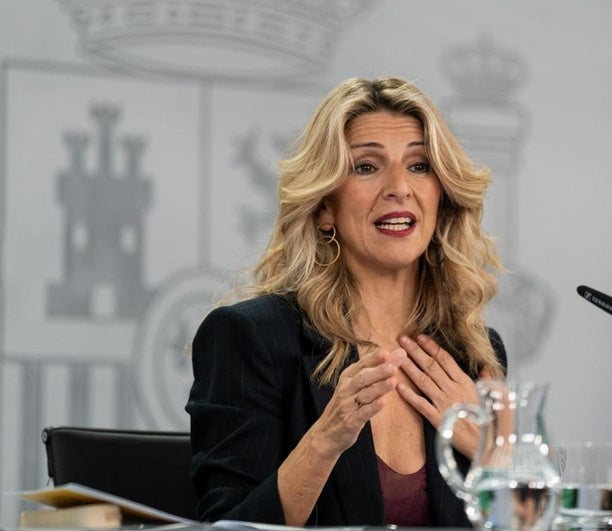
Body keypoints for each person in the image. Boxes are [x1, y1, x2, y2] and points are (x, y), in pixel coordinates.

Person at [185, 76, 507, 527]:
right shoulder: (251, 338)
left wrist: (495, 456)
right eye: (366, 167)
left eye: (418, 165)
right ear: (323, 208)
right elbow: (229, 525)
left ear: (443, 195)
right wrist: (327, 439)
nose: (399, 187)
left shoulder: (472, 352)